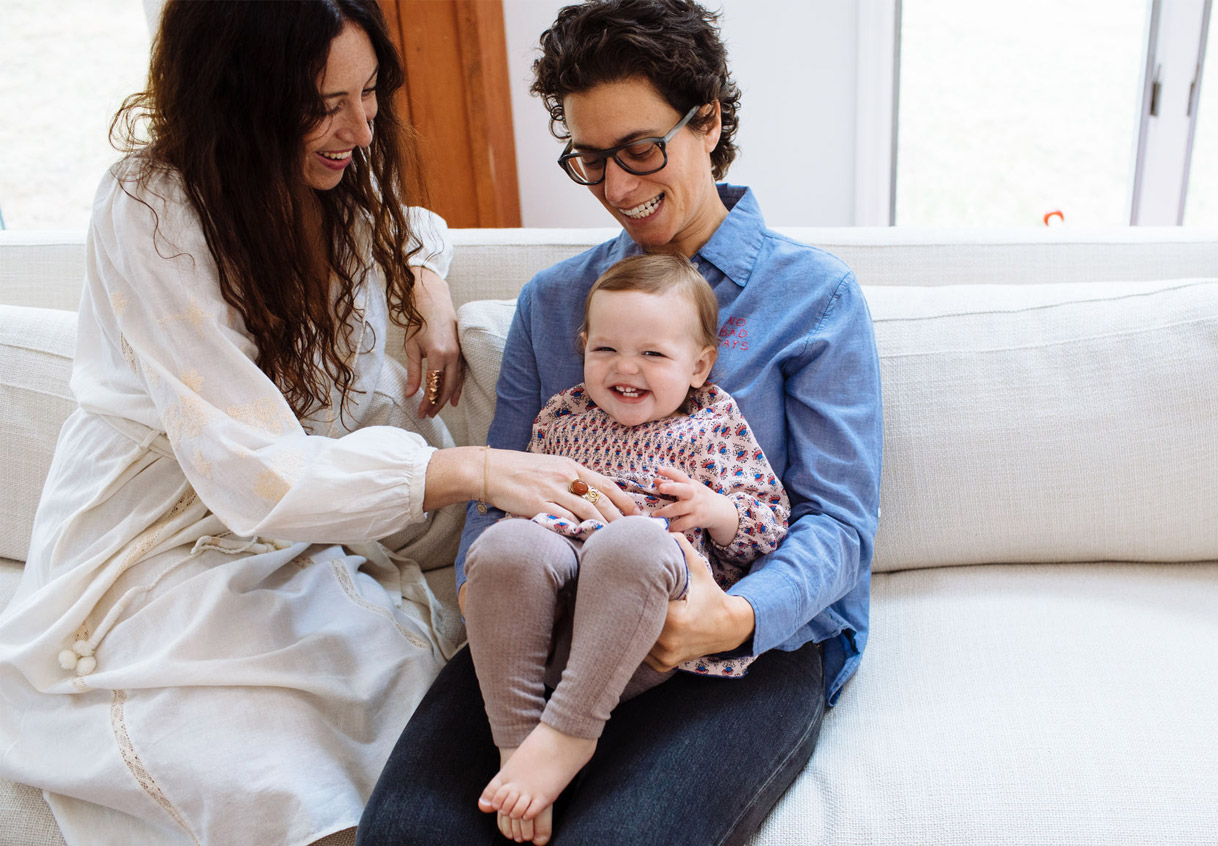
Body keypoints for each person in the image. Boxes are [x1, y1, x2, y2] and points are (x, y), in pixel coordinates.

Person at [0, 2, 634, 844]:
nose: (359, 129)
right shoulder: (150, 210)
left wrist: (426, 287)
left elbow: (405, 229)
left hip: (293, 510)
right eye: (324, 104)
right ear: (240, 99)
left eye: (370, 92)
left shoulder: (325, 178)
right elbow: (251, 474)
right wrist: (474, 469)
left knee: (415, 695)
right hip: (172, 521)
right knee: (273, 756)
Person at [358, 1, 883, 844]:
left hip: (739, 647)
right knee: (411, 835)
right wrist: (490, 588)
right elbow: (500, 490)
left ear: (706, 118)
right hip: (555, 624)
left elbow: (842, 526)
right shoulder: (555, 304)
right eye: (589, 160)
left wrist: (734, 618)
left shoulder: (812, 299)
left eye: (641, 150)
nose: (619, 190)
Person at [466, 253, 790, 843]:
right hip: (552, 608)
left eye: (653, 354)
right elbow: (515, 496)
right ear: (583, 347)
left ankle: (569, 731)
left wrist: (716, 511)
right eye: (606, 350)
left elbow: (769, 520)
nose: (626, 368)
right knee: (506, 543)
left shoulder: (712, 422)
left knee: (635, 539)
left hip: (640, 613)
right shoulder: (562, 414)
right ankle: (517, 742)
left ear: (700, 366)